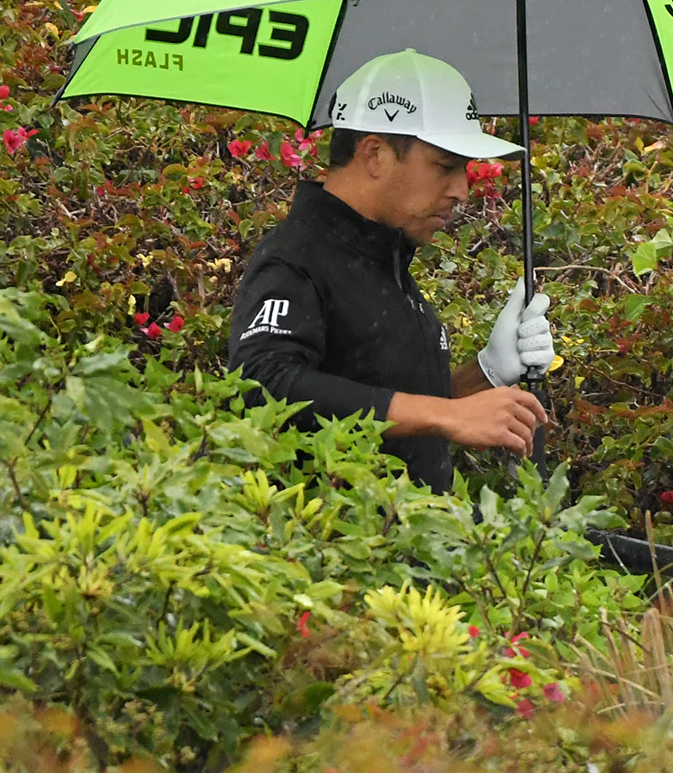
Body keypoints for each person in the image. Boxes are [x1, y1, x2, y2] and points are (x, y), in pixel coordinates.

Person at [228, 49, 557, 493]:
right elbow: (263, 386)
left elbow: (390, 415)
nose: (462, 190)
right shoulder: (297, 257)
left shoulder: (385, 258)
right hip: (338, 553)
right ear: (376, 155)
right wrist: (448, 414)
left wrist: (486, 374)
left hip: (409, 547)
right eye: (445, 166)